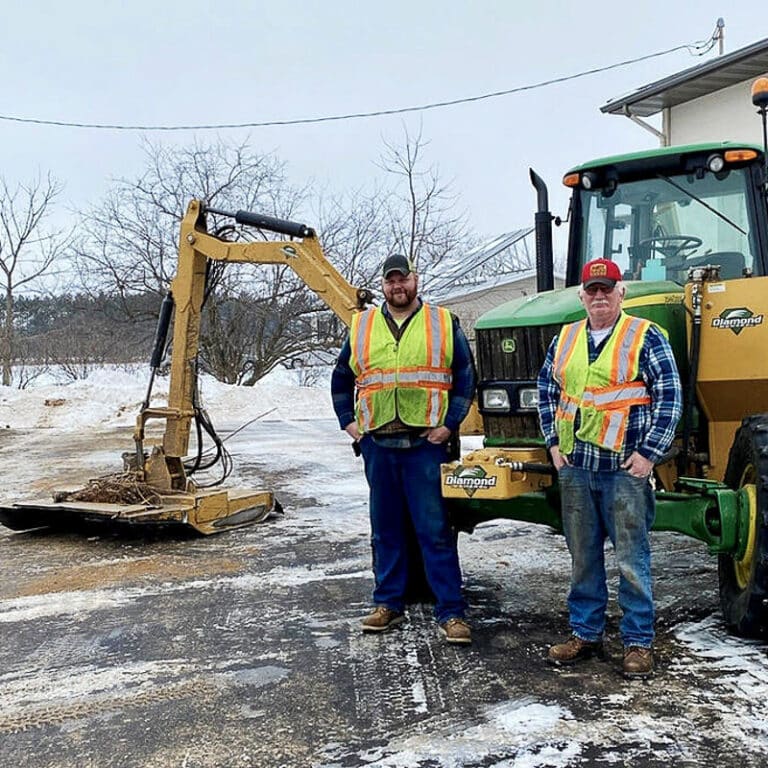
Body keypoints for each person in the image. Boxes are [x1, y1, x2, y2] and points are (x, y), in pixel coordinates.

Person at [536, 258, 682, 679]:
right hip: (577, 469)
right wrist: (552, 445)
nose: (599, 297)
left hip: (624, 471)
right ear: (581, 296)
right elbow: (547, 391)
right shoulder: (564, 339)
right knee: (582, 558)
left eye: (607, 289)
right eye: (592, 290)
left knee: (632, 559)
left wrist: (649, 454)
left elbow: (669, 397)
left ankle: (638, 642)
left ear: (622, 293)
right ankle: (585, 632)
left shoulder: (645, 336)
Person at [331, 253, 477, 644]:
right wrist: (349, 423)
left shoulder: (443, 323)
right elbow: (342, 377)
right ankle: (387, 604)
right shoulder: (362, 326)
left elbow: (465, 375)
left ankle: (451, 612)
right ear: (383, 286)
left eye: (403, 279)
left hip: (424, 446)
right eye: (390, 281)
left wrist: (449, 425)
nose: (398, 287)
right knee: (386, 529)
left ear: (416, 280)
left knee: (434, 530)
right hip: (379, 444)